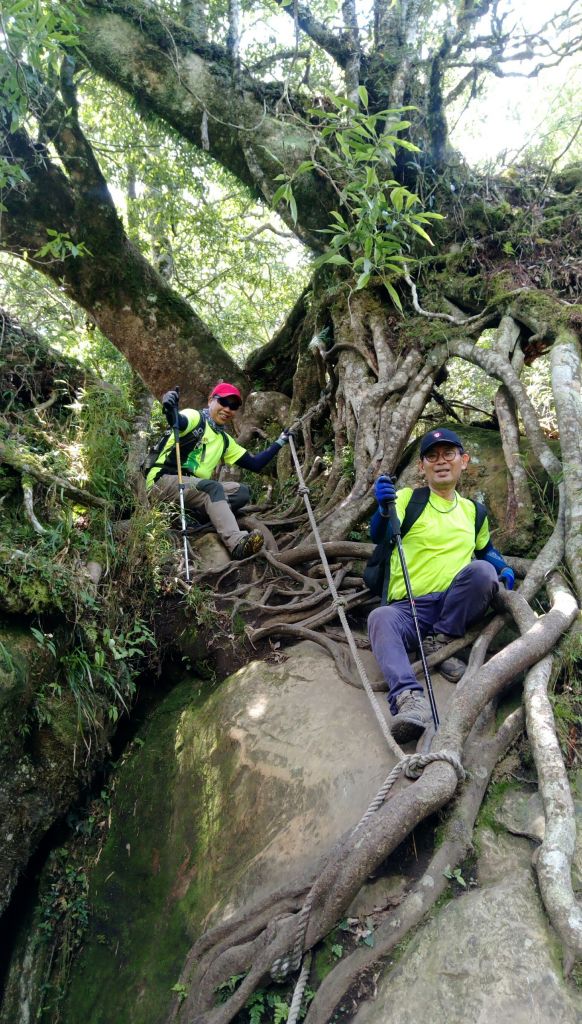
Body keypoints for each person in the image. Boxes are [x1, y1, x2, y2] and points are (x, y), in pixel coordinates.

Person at [368, 427, 515, 743]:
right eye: (431, 456)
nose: (441, 461)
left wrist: (504, 568)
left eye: (449, 454)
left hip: (454, 605)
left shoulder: (474, 511)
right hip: (408, 608)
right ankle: (409, 699)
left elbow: (485, 549)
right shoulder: (408, 498)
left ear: (464, 460)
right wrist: (382, 508)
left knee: (482, 571)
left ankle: (441, 640)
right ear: (422, 467)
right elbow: (379, 534)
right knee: (380, 618)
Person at [146, 382, 292, 560]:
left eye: (234, 406)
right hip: (162, 481)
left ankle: (200, 516)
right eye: (223, 402)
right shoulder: (194, 417)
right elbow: (178, 420)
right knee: (213, 488)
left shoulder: (224, 440)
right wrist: (169, 406)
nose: (228, 409)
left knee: (242, 493)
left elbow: (255, 464)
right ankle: (236, 543)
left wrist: (280, 442)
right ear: (210, 401)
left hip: (192, 489)